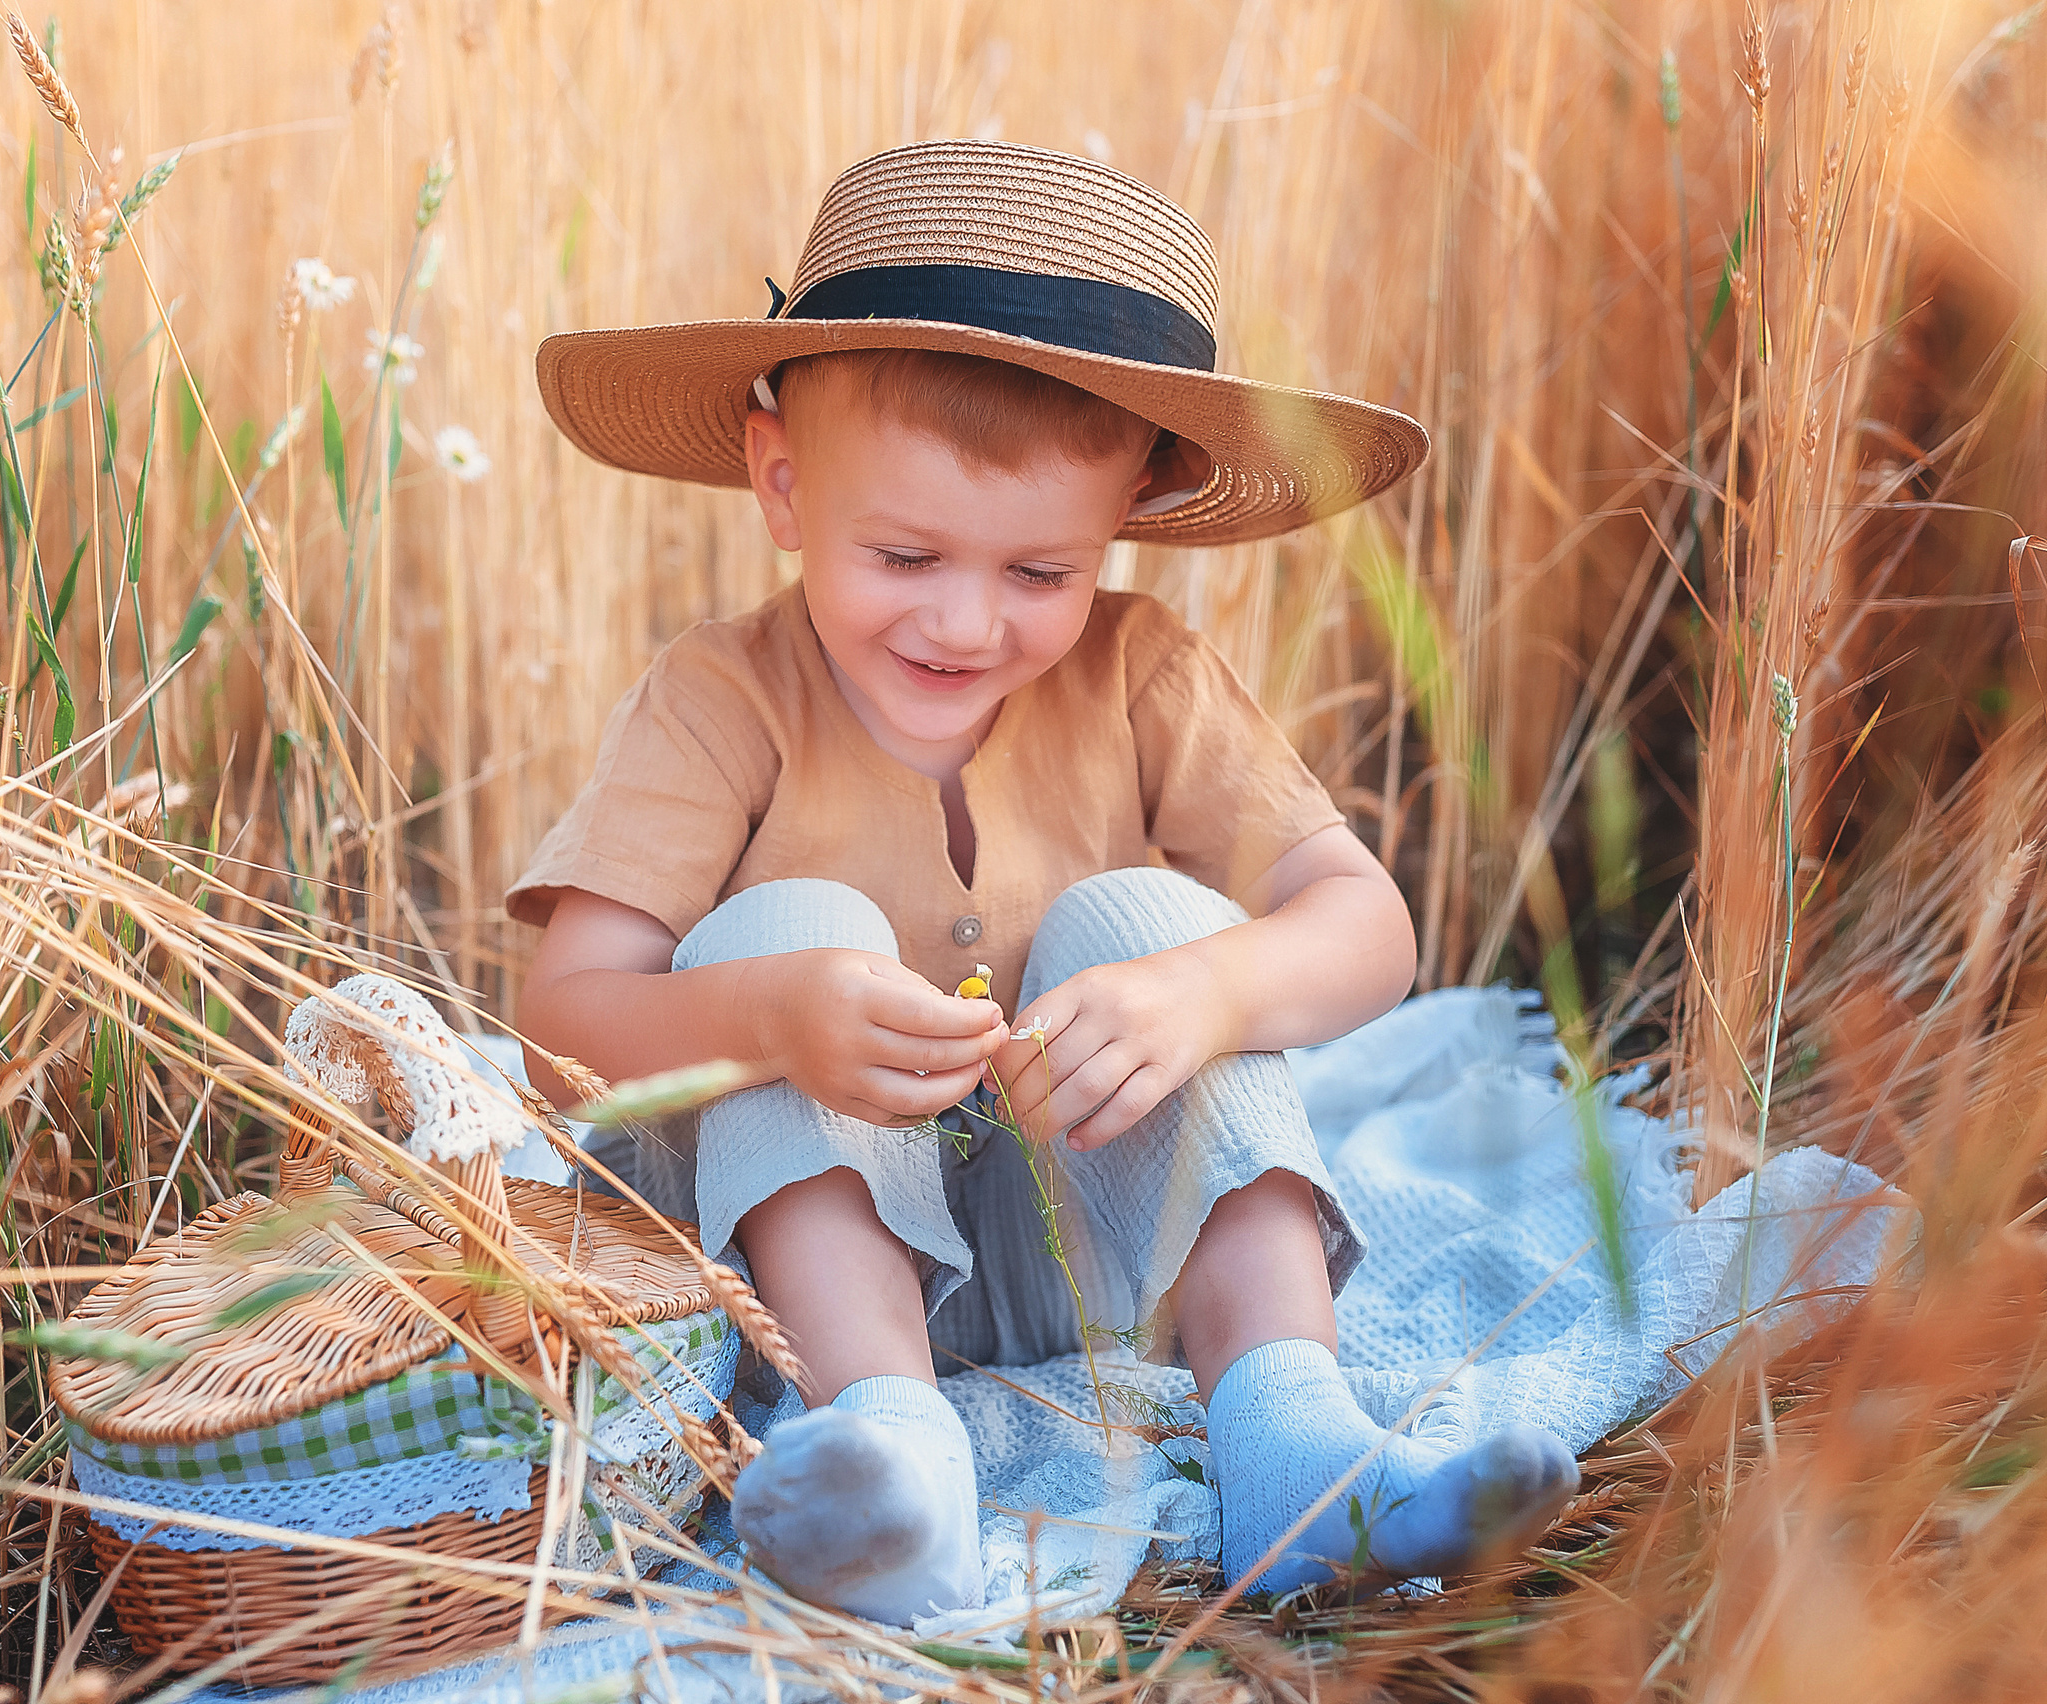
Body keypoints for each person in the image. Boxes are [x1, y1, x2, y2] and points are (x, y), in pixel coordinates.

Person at [511, 139, 1578, 1624]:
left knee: (1158, 930)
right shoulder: (719, 698)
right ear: (781, 483)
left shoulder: (1147, 677)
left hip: (1083, 1261)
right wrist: (778, 1020)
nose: (965, 622)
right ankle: (891, 1463)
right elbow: (562, 1014)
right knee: (781, 936)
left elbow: (1369, 929)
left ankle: (1296, 1450)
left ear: (1126, 517)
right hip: (806, 1271)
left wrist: (1202, 991)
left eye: (1040, 574)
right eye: (906, 553)